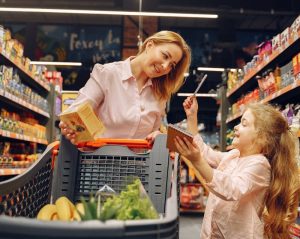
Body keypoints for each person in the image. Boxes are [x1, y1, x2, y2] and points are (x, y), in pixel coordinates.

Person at [175, 96, 300, 239]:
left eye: (244, 124)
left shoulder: (260, 165)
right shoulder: (234, 155)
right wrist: (192, 118)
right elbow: (205, 153)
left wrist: (197, 161)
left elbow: (231, 189)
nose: (236, 127)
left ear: (262, 139)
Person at [59, 31, 191, 144]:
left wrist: (159, 137)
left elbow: (155, 132)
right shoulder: (107, 74)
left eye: (171, 65)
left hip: (139, 170)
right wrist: (71, 126)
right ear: (150, 45)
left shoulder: (160, 93)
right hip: (99, 166)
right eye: (165, 56)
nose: (165, 66)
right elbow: (76, 112)